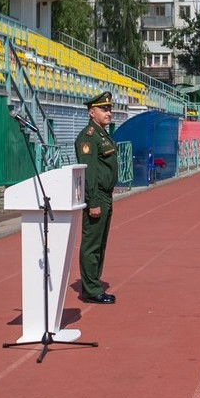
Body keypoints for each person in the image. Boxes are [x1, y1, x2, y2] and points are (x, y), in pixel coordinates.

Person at [76, 91, 121, 305]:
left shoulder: (102, 135)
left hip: (106, 195)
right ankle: (91, 290)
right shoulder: (88, 137)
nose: (108, 112)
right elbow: (90, 172)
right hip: (97, 196)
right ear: (91, 112)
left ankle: (94, 284)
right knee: (92, 244)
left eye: (109, 109)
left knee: (100, 243)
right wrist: (93, 202)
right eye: (104, 109)